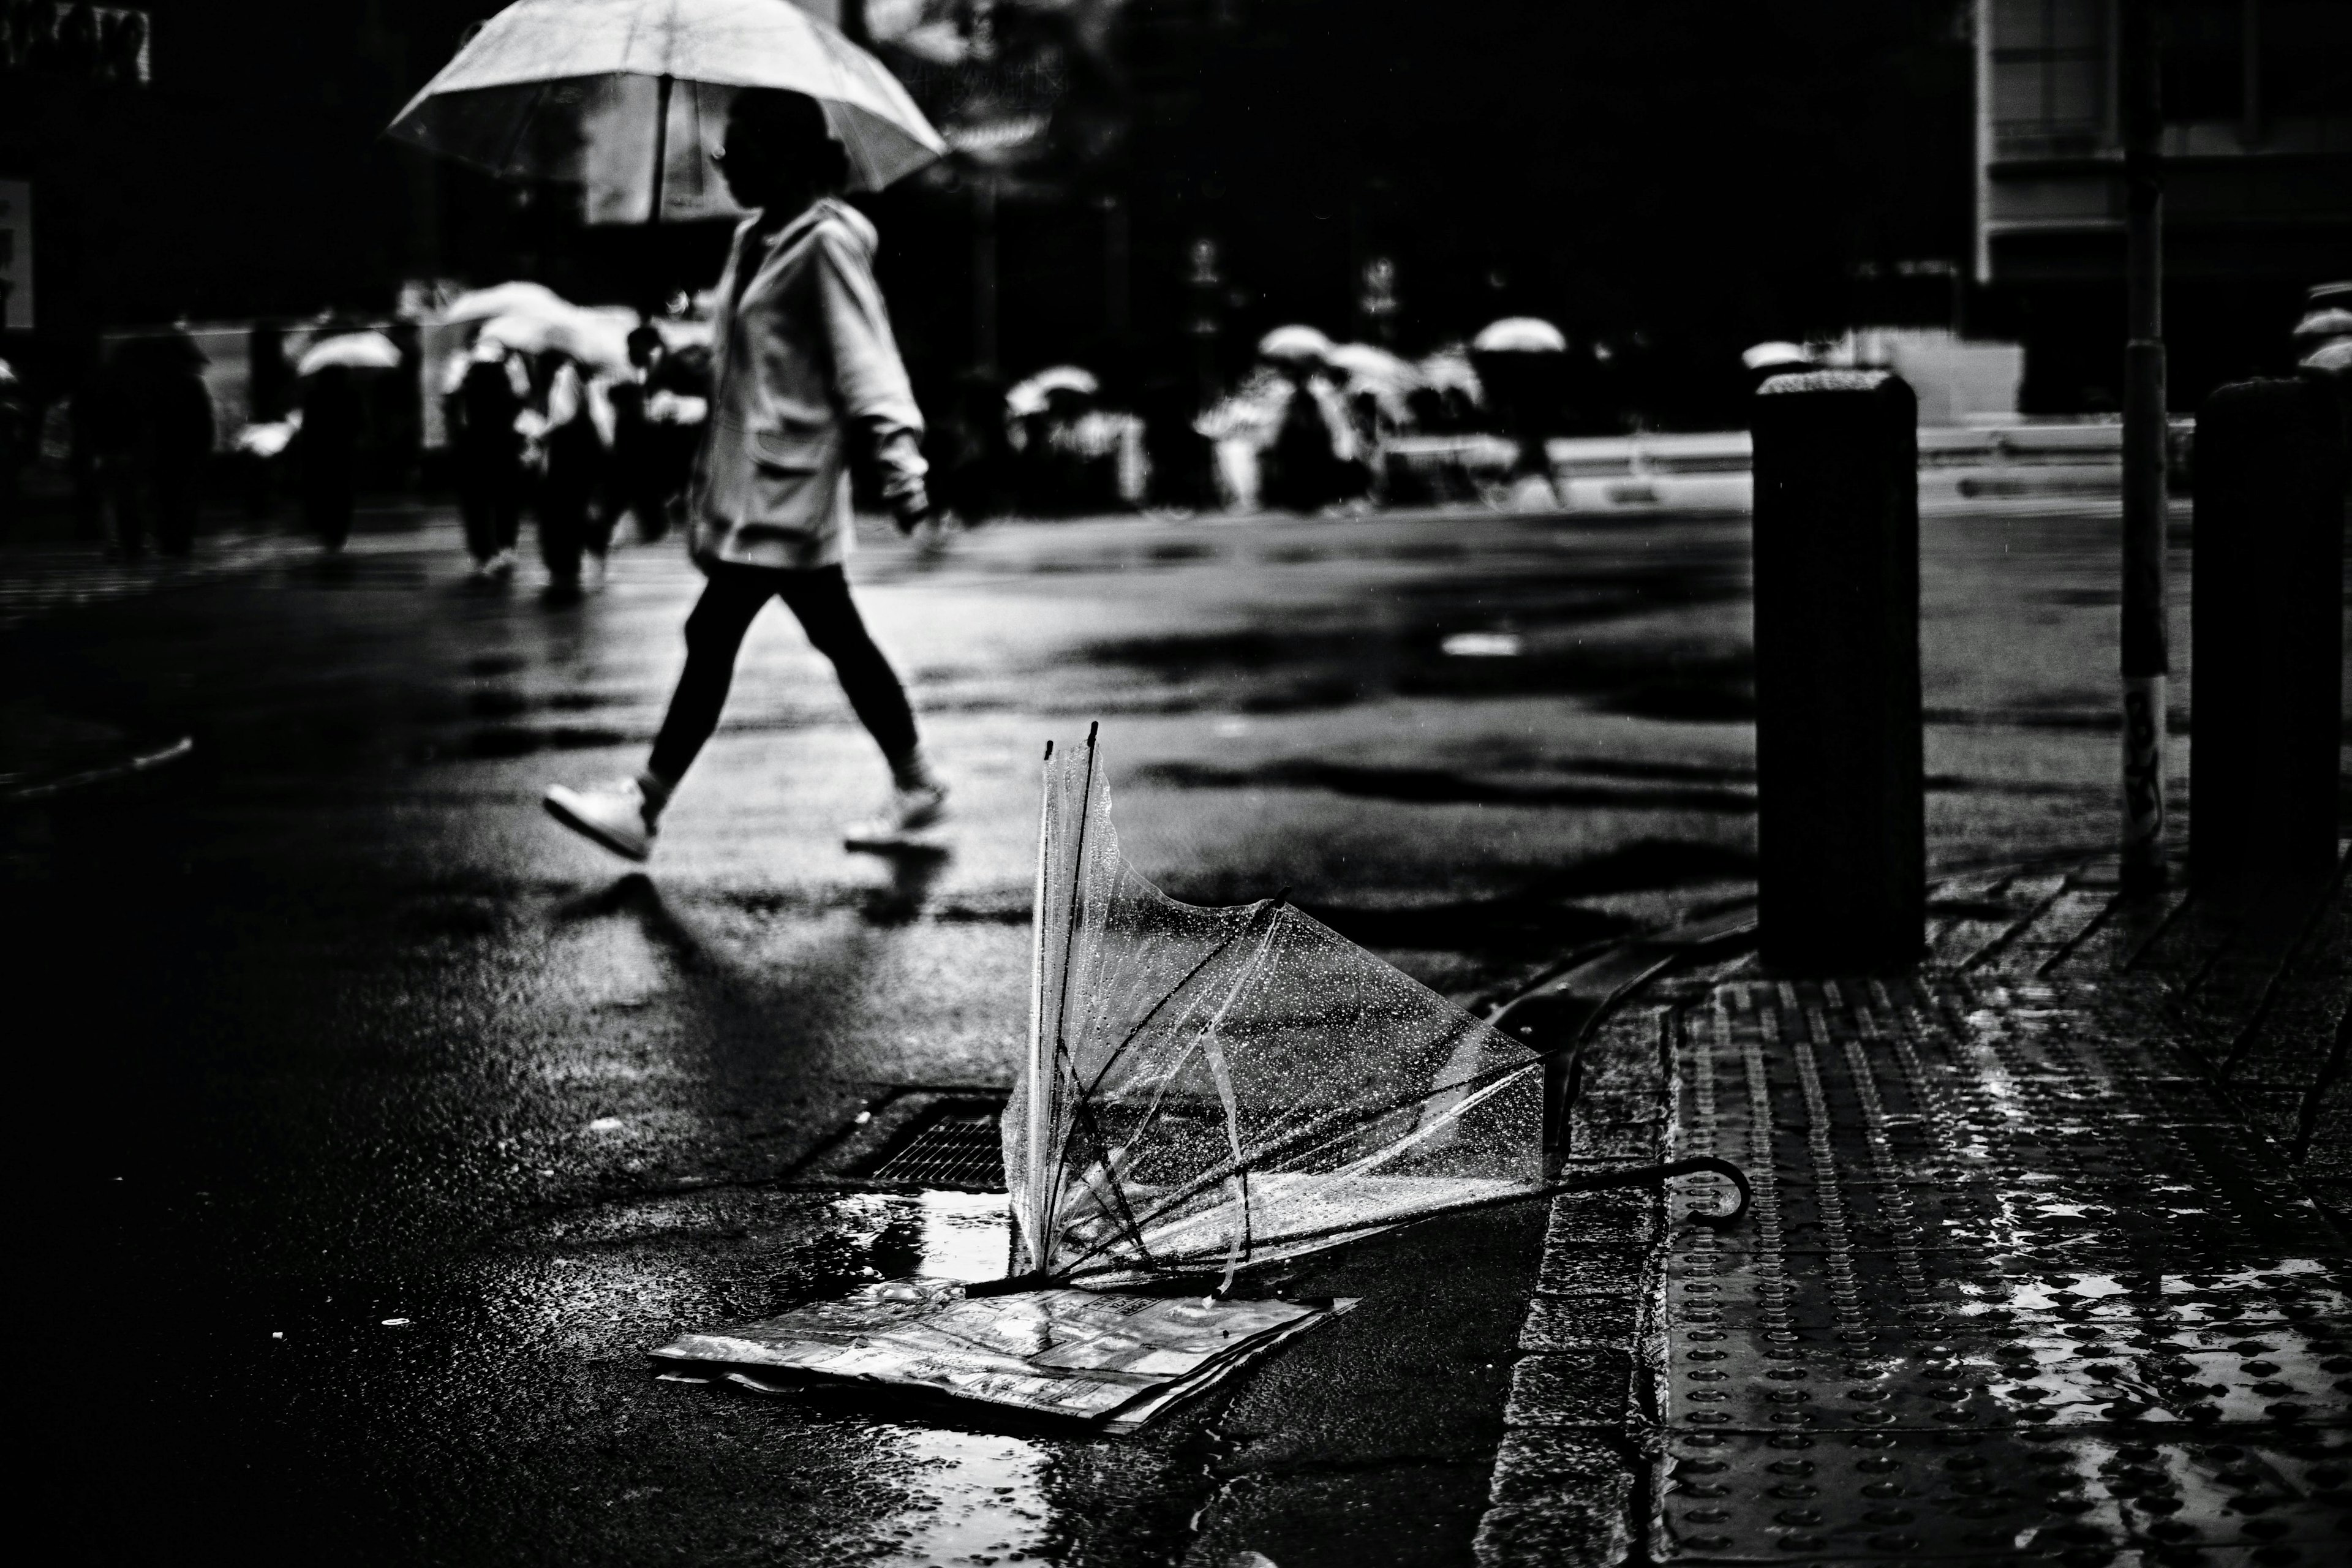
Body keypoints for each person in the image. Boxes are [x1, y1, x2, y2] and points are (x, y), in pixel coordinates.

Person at [543, 89, 944, 861]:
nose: (725, 166)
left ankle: (646, 803)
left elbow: (867, 361)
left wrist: (901, 464)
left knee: (713, 629)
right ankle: (918, 779)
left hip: (788, 486)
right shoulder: (754, 240)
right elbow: (744, 359)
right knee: (840, 638)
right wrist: (673, 354)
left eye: (739, 149)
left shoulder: (827, 243)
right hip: (753, 482)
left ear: (785, 153)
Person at [447, 338, 527, 577]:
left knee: (476, 503)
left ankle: (483, 554)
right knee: (506, 499)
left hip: (473, 446)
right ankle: (505, 547)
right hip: (503, 443)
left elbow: (453, 406)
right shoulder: (510, 367)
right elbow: (521, 399)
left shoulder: (463, 367)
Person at [299, 361, 361, 552]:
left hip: (321, 453)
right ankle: (338, 532)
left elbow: (308, 428)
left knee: (324, 490)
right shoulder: (351, 396)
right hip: (342, 452)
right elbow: (360, 424)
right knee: (342, 493)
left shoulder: (314, 396)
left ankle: (328, 530)